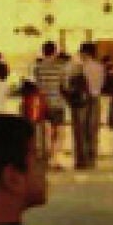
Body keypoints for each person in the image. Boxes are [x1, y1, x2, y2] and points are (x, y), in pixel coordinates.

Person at [32, 42, 71, 170]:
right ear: (55, 51)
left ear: (43, 51)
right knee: (59, 132)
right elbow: (64, 85)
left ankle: (46, 157)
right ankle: (54, 159)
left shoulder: (38, 67)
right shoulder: (60, 67)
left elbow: (37, 85)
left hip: (43, 102)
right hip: (57, 103)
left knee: (46, 132)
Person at [67, 44, 104, 171]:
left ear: (85, 53)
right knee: (92, 130)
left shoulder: (78, 68)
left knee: (80, 131)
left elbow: (70, 85)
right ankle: (92, 158)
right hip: (95, 99)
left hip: (81, 100)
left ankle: (81, 159)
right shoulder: (100, 67)